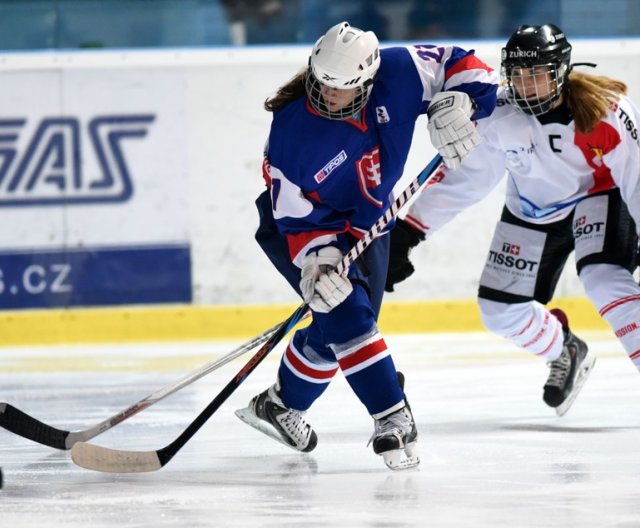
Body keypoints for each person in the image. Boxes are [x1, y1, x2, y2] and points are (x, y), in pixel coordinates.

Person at [235, 21, 498, 469]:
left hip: (370, 223)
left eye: (342, 89)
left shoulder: (399, 71)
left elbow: (464, 63)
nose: (328, 96)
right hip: (302, 229)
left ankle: (280, 406)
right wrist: (317, 259)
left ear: (369, 80)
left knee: (338, 329)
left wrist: (461, 99)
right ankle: (392, 415)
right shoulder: (292, 132)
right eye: (322, 84)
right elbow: (292, 213)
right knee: (346, 313)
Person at [386, 23, 640, 416]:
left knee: (603, 278)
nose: (525, 85)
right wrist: (410, 230)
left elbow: (637, 180)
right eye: (518, 75)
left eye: (536, 74)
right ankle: (565, 350)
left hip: (599, 195)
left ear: (560, 70)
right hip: (533, 208)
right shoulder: (498, 115)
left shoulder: (606, 112)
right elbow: (470, 177)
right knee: (499, 312)